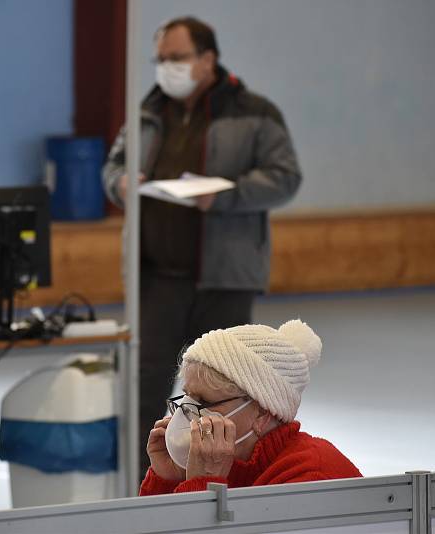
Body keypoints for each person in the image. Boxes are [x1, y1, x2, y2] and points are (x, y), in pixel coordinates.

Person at [102, 16, 303, 477]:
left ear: (207, 59)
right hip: (156, 278)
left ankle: (224, 481)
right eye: (161, 59)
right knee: (145, 386)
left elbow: (284, 177)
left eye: (176, 58)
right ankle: (148, 481)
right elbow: (113, 167)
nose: (166, 67)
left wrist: (226, 194)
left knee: (224, 394)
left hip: (223, 278)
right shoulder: (147, 114)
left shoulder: (256, 112)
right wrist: (121, 182)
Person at [140, 319, 361, 494]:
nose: (187, 414)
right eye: (187, 398)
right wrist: (167, 481)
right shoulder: (227, 461)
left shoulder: (309, 478)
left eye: (204, 402)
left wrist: (203, 485)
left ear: (262, 412)